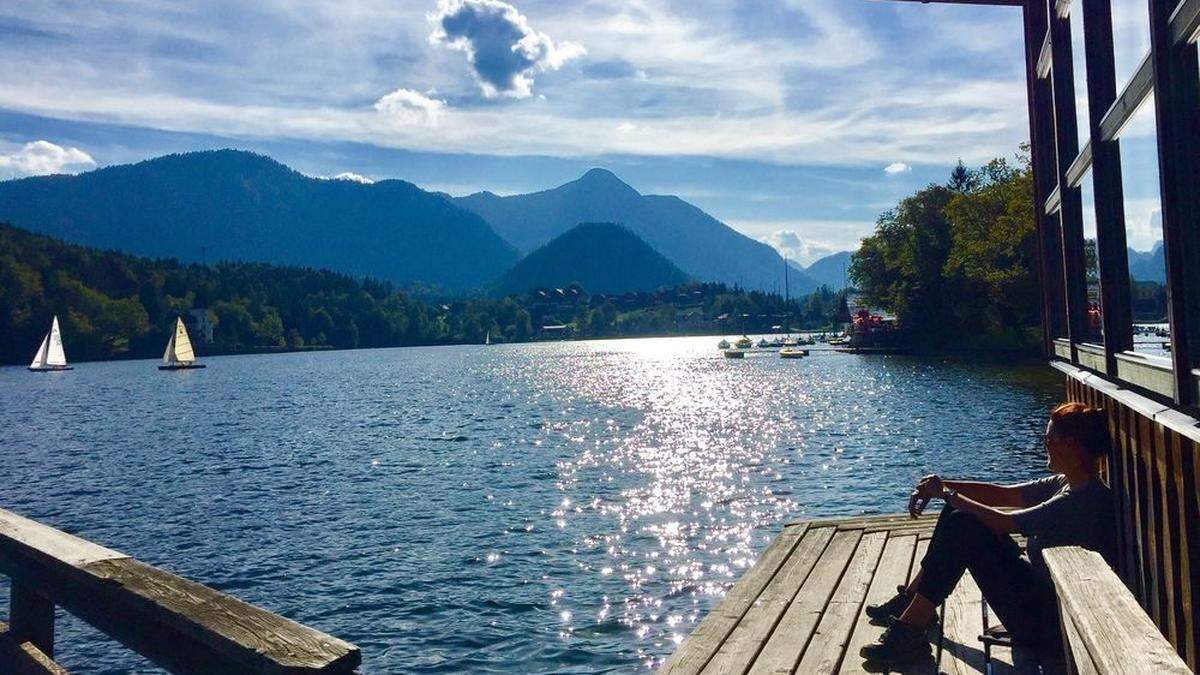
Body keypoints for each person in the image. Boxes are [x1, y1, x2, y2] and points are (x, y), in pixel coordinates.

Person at [858, 402, 1117, 667]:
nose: (1044, 444)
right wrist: (940, 487)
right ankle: (913, 601)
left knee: (963, 524)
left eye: (1049, 438)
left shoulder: (1083, 498)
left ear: (1071, 444)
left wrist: (947, 494)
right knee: (957, 512)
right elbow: (1002, 493)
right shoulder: (1066, 482)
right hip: (1043, 608)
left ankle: (909, 633)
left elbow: (1006, 522)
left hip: (1053, 628)